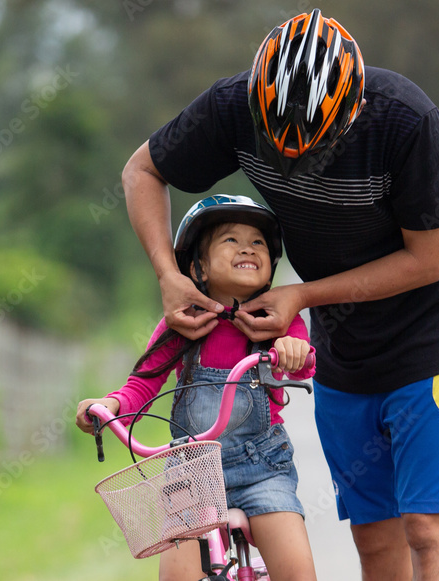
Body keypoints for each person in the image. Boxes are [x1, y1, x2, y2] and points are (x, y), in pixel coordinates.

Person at [121, 10, 439, 581]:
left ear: (354, 108)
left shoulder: (406, 121)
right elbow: (142, 170)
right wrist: (168, 274)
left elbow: (429, 259)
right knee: (374, 535)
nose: (291, 160)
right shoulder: (230, 106)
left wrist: (303, 295)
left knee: (428, 531)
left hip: (429, 337)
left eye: (313, 147)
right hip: (342, 343)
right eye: (276, 146)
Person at [75, 195, 317, 581]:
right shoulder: (182, 322)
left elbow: (303, 360)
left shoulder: (277, 318)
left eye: (258, 243)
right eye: (230, 240)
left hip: (262, 468)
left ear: (271, 265)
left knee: (297, 569)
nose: (246, 248)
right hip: (192, 472)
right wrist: (111, 405)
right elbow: (144, 380)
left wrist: (292, 349)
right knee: (176, 574)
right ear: (198, 266)